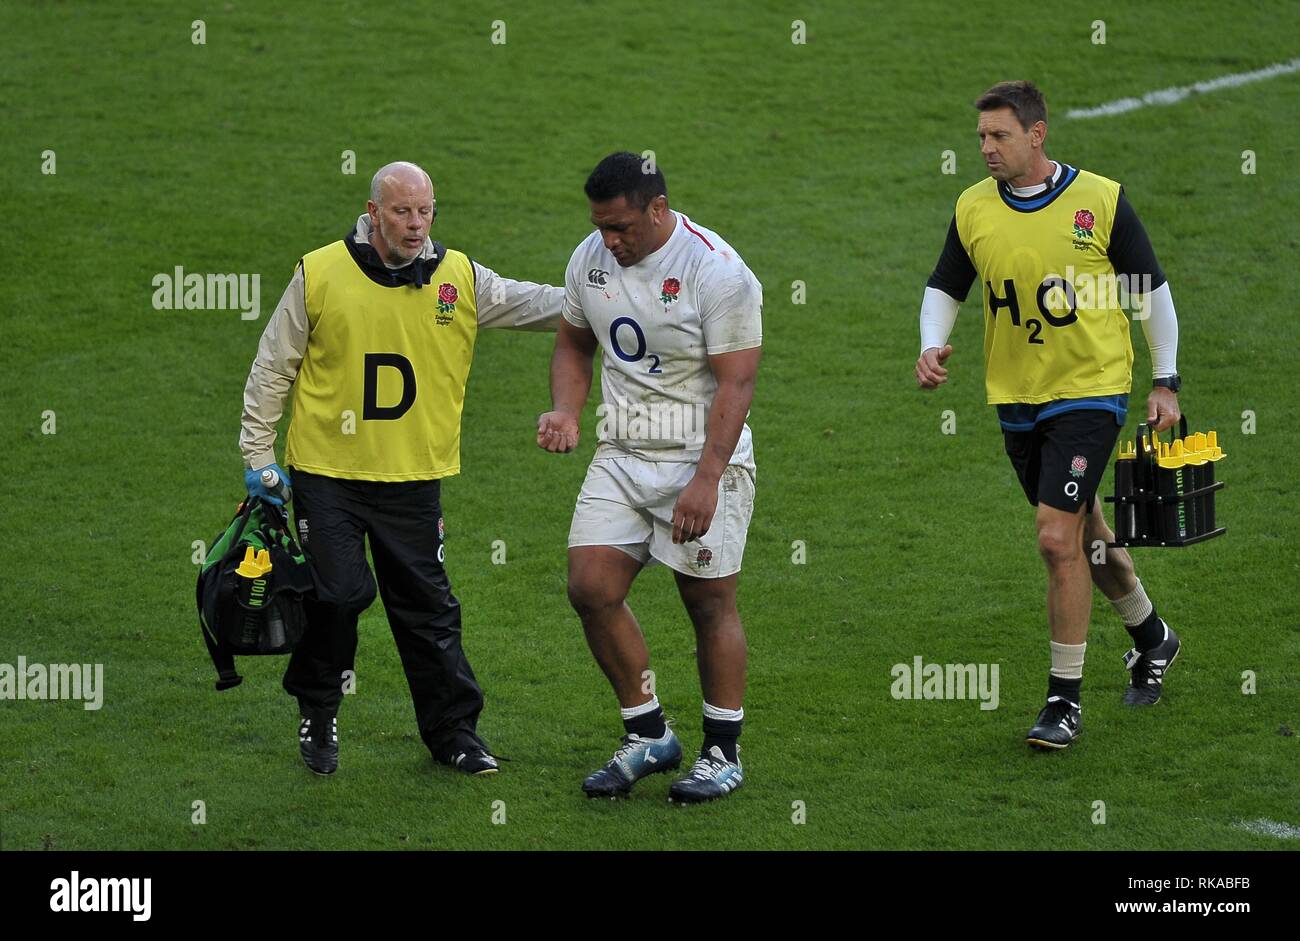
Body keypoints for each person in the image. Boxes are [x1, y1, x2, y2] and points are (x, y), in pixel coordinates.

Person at [240, 161, 562, 776]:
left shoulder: (457, 277)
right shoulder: (319, 273)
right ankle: (318, 704)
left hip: (413, 479)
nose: (416, 225)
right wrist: (258, 457)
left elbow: (533, 305)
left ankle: (453, 735)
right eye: (401, 212)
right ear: (372, 213)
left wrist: (604, 301)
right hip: (328, 475)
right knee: (338, 596)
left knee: (429, 611)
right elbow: (272, 365)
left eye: (425, 211)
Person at [916, 81, 1184, 750]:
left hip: (1091, 390)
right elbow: (947, 283)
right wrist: (930, 341)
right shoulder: (974, 206)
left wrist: (1166, 381)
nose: (986, 148)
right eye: (980, 136)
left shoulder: (1100, 199)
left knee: (1054, 537)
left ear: (1037, 134)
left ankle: (1062, 701)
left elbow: (1149, 291)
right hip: (1015, 396)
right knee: (1086, 530)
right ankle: (1153, 636)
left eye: (998, 135)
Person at [537, 152, 763, 802]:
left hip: (700, 455)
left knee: (708, 602)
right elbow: (574, 342)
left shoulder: (716, 270)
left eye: (622, 228)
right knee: (590, 586)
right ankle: (650, 733)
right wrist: (566, 410)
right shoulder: (591, 258)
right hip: (623, 451)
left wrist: (707, 478)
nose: (610, 241)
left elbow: (737, 381)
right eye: (601, 226)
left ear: (657, 209)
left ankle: (722, 751)